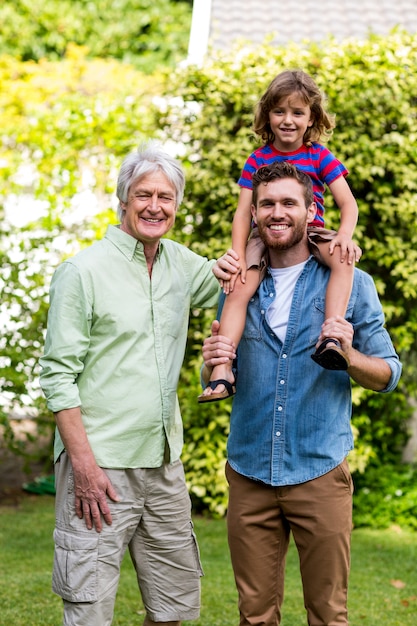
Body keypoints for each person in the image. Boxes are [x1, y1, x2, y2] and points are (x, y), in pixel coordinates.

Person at [201, 161, 402, 625]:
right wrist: (212, 359)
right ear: (254, 214)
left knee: (328, 615)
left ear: (311, 210)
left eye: (289, 202)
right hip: (249, 472)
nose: (276, 212)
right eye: (267, 203)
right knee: (254, 616)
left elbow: (388, 373)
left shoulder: (352, 282)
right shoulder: (238, 286)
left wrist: (349, 356)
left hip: (318, 472)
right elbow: (212, 378)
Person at [39, 142, 222, 626]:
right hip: (100, 466)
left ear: (177, 206)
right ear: (123, 199)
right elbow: (57, 376)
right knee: (89, 607)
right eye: (144, 195)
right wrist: (83, 463)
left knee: (173, 606)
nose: (154, 206)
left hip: (164, 464)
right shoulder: (82, 272)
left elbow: (238, 280)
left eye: (166, 197)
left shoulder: (183, 266)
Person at [199, 69, 361, 403]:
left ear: (311, 117)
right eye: (279, 111)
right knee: (239, 285)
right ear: (267, 116)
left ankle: (331, 334)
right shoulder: (257, 159)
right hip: (265, 235)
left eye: (297, 112)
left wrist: (344, 235)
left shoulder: (319, 155)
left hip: (312, 232)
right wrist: (239, 254)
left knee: (344, 259)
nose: (288, 120)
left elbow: (348, 203)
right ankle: (222, 369)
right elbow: (244, 212)